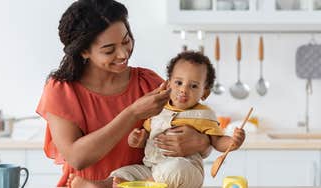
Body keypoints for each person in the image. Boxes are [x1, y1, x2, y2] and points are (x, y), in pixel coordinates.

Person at [36, 0, 212, 187]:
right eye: (109, 50)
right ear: (84, 51)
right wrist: (133, 113)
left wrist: (202, 142)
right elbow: (76, 158)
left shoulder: (147, 82)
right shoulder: (63, 90)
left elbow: (198, 131)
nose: (123, 54)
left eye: (126, 41)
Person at [110, 51, 246, 188]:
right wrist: (136, 139)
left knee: (176, 168)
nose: (184, 90)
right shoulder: (157, 108)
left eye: (193, 86)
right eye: (179, 82)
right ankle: (144, 183)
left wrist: (233, 142)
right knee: (121, 174)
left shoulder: (204, 115)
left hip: (187, 168)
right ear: (168, 85)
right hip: (151, 167)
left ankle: (146, 185)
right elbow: (145, 136)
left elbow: (218, 142)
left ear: (205, 93)